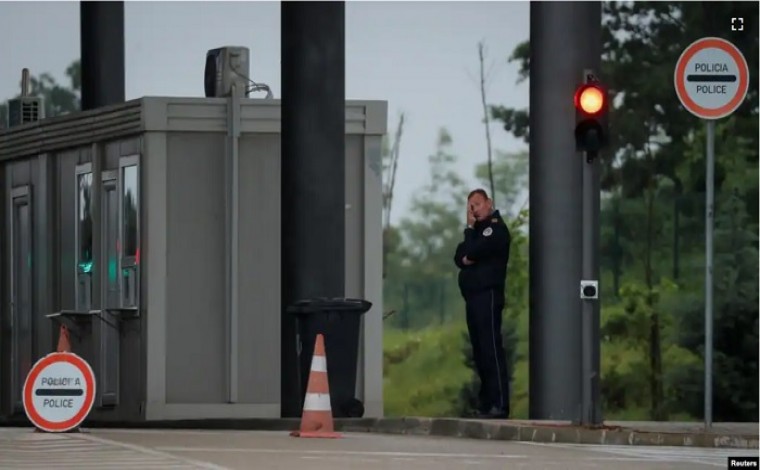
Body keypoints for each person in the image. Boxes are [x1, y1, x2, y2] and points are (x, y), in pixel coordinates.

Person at [453, 188, 511, 419]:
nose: (473, 210)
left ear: (489, 203)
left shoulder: (495, 229)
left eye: (476, 204)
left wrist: (469, 251)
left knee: (491, 349)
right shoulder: (476, 231)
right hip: (473, 297)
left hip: (488, 295)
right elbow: (460, 255)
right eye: (470, 206)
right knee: (478, 350)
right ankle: (486, 402)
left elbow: (474, 251)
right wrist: (468, 235)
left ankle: (500, 403)